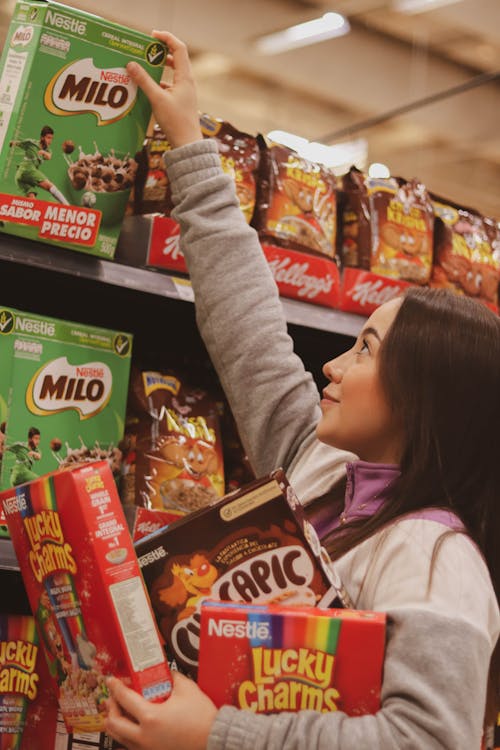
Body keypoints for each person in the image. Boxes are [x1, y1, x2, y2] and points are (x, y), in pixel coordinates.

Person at [104, 31, 500, 750]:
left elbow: (428, 742)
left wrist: (214, 733)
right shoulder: (316, 471)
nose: (333, 368)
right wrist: (188, 140)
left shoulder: (438, 560)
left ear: (423, 399)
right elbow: (247, 330)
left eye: (366, 349)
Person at [10, 125, 69, 204]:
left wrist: (43, 152)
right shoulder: (31, 143)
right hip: (27, 169)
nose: (50, 141)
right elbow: (15, 143)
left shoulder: (48, 150)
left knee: (32, 201)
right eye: (48, 138)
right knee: (50, 186)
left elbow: (48, 157)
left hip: (21, 179)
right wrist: (10, 143)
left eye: (51, 138)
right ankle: (67, 206)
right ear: (42, 137)